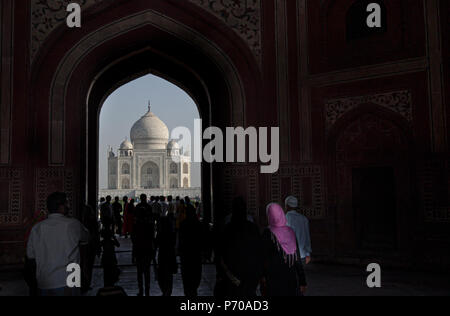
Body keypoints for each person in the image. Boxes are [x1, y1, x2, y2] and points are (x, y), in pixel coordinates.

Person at [26, 192, 89, 296]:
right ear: (61, 207)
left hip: (44, 281)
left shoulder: (37, 228)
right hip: (70, 279)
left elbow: (30, 255)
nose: (68, 206)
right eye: (67, 203)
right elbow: (86, 238)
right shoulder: (72, 224)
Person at [218, 197, 263, 297]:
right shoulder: (253, 228)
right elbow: (259, 253)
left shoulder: (228, 229)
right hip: (250, 277)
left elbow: (222, 254)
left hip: (232, 278)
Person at [261, 203, 307, 297]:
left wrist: (262, 276)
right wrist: (302, 281)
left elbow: (263, 258)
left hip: (273, 279)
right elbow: (297, 259)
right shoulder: (290, 232)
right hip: (290, 279)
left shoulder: (267, 233)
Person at [179, 204, 203, 296]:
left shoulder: (183, 224)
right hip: (196, 254)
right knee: (196, 275)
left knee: (186, 277)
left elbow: (181, 240)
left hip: (186, 255)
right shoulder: (198, 224)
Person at [133, 194, 155, 296]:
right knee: (147, 271)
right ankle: (147, 290)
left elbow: (134, 240)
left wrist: (133, 254)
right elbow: (152, 238)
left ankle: (141, 290)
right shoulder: (149, 225)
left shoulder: (137, 226)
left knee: (139, 272)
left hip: (139, 250)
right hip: (147, 249)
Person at [285, 196, 312, 265]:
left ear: (287, 205)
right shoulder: (304, 219)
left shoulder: (285, 218)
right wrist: (308, 254)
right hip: (303, 254)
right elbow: (307, 237)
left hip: (289, 255)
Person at [81, 204, 100, 293]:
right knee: (88, 266)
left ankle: (83, 284)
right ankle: (86, 284)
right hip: (90, 246)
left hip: (83, 247)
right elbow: (96, 235)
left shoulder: (80, 222)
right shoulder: (92, 221)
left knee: (83, 266)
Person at [156, 215, 177, 296]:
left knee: (162, 276)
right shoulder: (172, 233)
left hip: (162, 256)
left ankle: (165, 291)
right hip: (170, 256)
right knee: (169, 276)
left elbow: (156, 243)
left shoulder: (160, 234)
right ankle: (168, 291)